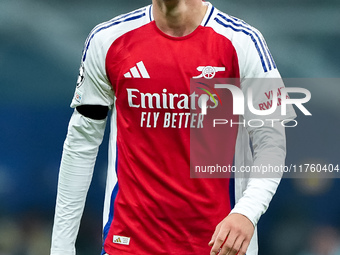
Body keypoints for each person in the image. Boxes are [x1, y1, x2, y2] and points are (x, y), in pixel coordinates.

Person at [50, 1, 296, 255]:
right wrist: (61, 248)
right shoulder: (108, 40)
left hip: (216, 246)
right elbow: (80, 144)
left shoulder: (243, 42)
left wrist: (247, 211)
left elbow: (272, 141)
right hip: (129, 245)